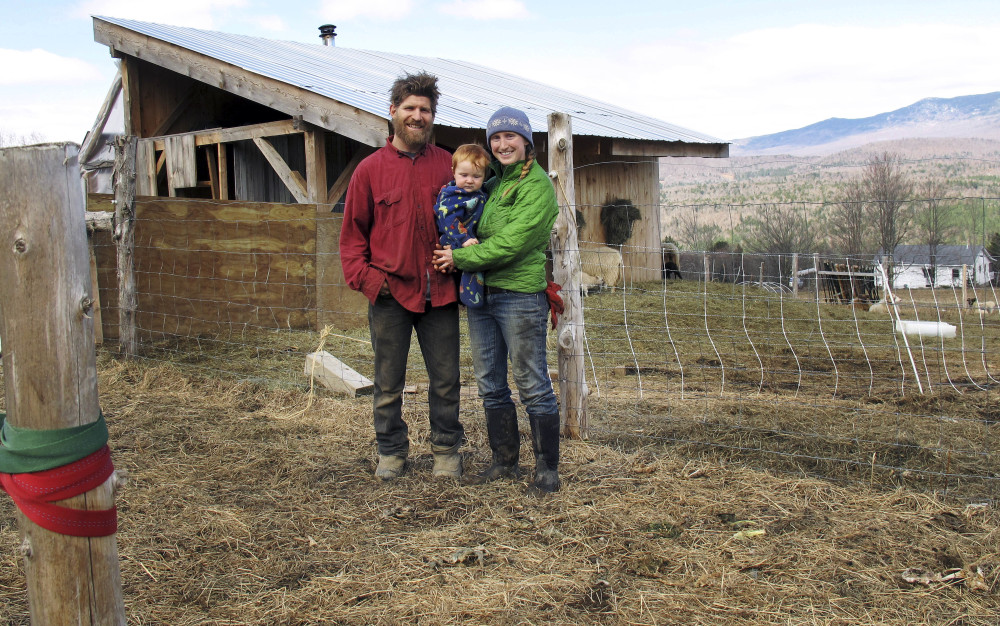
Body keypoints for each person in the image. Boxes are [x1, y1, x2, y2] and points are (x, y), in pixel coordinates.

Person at [339, 71, 464, 480]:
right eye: (409, 108)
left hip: (441, 292)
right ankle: (391, 451)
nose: (417, 116)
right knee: (387, 382)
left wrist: (463, 259)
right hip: (391, 293)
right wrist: (374, 282)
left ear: (433, 116)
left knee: (446, 380)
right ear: (393, 112)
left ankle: (446, 450)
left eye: (425, 110)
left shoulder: (449, 165)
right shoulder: (369, 171)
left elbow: (474, 221)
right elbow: (352, 239)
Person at [432, 107, 562, 494]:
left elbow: (512, 243)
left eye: (511, 136)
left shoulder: (536, 186)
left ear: (526, 142)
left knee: (531, 381)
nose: (503, 144)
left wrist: (459, 257)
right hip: (483, 293)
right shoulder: (490, 185)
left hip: (519, 296)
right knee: (490, 382)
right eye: (496, 137)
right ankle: (504, 461)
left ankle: (546, 470)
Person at [434, 144, 491, 308]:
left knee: (476, 264)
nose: (469, 180)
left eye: (476, 176)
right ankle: (470, 299)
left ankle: (472, 297)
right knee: (471, 269)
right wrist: (464, 238)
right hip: (454, 238)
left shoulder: (479, 194)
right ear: (453, 172)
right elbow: (447, 219)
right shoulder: (452, 195)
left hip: (468, 238)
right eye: (464, 175)